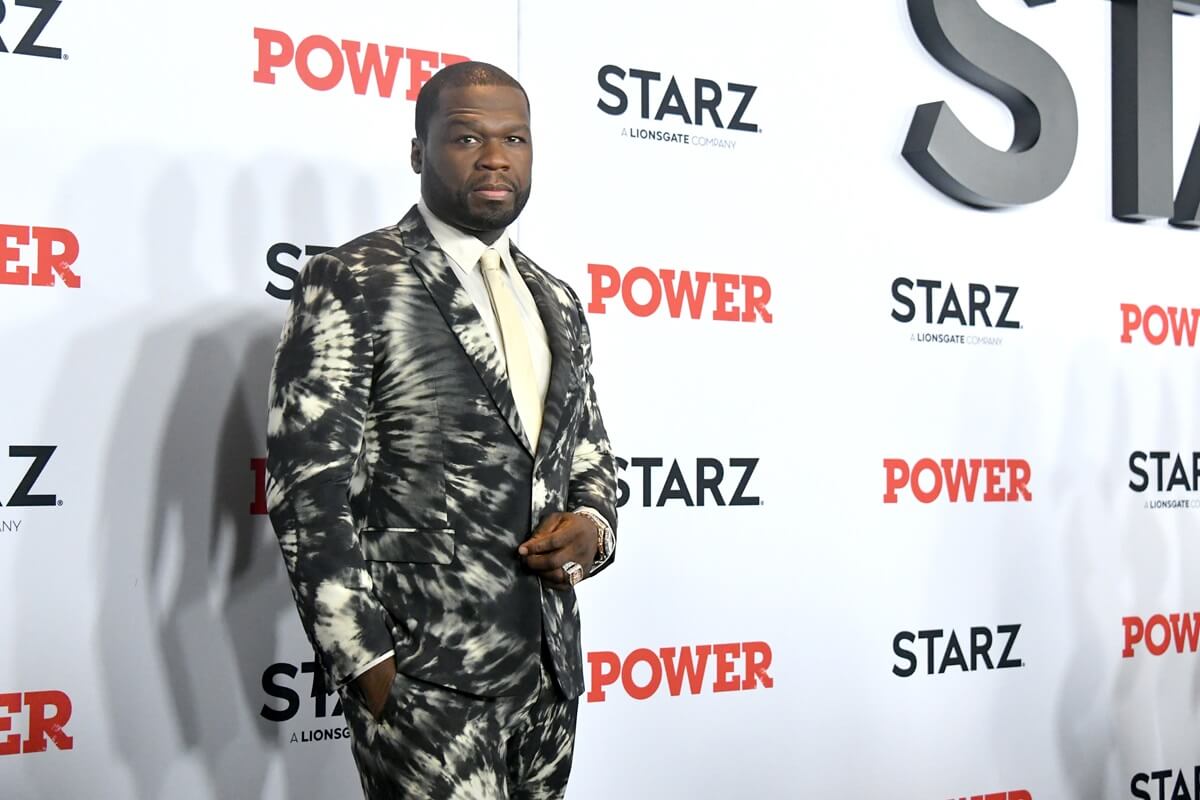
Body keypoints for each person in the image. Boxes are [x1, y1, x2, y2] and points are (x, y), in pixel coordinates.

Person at [264, 61, 618, 799]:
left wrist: (592, 526)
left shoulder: (557, 299)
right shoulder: (355, 278)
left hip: (549, 676)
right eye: (467, 137)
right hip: (424, 681)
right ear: (419, 153)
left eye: (514, 138)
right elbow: (307, 493)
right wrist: (366, 664)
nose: (496, 157)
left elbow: (588, 455)